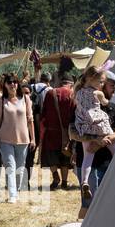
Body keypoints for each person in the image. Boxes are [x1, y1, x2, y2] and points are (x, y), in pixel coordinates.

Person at [72, 66, 115, 218]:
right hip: (88, 161)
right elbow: (72, 131)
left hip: (107, 164)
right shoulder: (82, 103)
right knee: (88, 203)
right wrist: (94, 139)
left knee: (107, 202)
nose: (113, 90)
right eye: (111, 85)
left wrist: (104, 140)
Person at [0, 73, 35, 204]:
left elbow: (30, 120)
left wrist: (33, 139)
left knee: (20, 168)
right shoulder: (1, 101)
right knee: (10, 166)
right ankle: (12, 194)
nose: (12, 85)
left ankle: (16, 190)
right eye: (9, 82)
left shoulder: (25, 99)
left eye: (15, 82)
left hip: (23, 139)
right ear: (5, 85)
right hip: (5, 140)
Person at [73, 64, 114, 194]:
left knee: (87, 157)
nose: (102, 84)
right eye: (100, 82)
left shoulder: (78, 92)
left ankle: (84, 181)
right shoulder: (97, 92)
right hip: (99, 124)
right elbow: (106, 104)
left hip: (84, 127)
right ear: (91, 78)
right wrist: (105, 100)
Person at [40, 62, 78, 191]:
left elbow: (43, 113)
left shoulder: (51, 93)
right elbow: (75, 115)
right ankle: (65, 182)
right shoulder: (72, 95)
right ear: (71, 84)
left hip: (51, 133)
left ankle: (55, 177)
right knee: (65, 157)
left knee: (51, 157)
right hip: (66, 134)